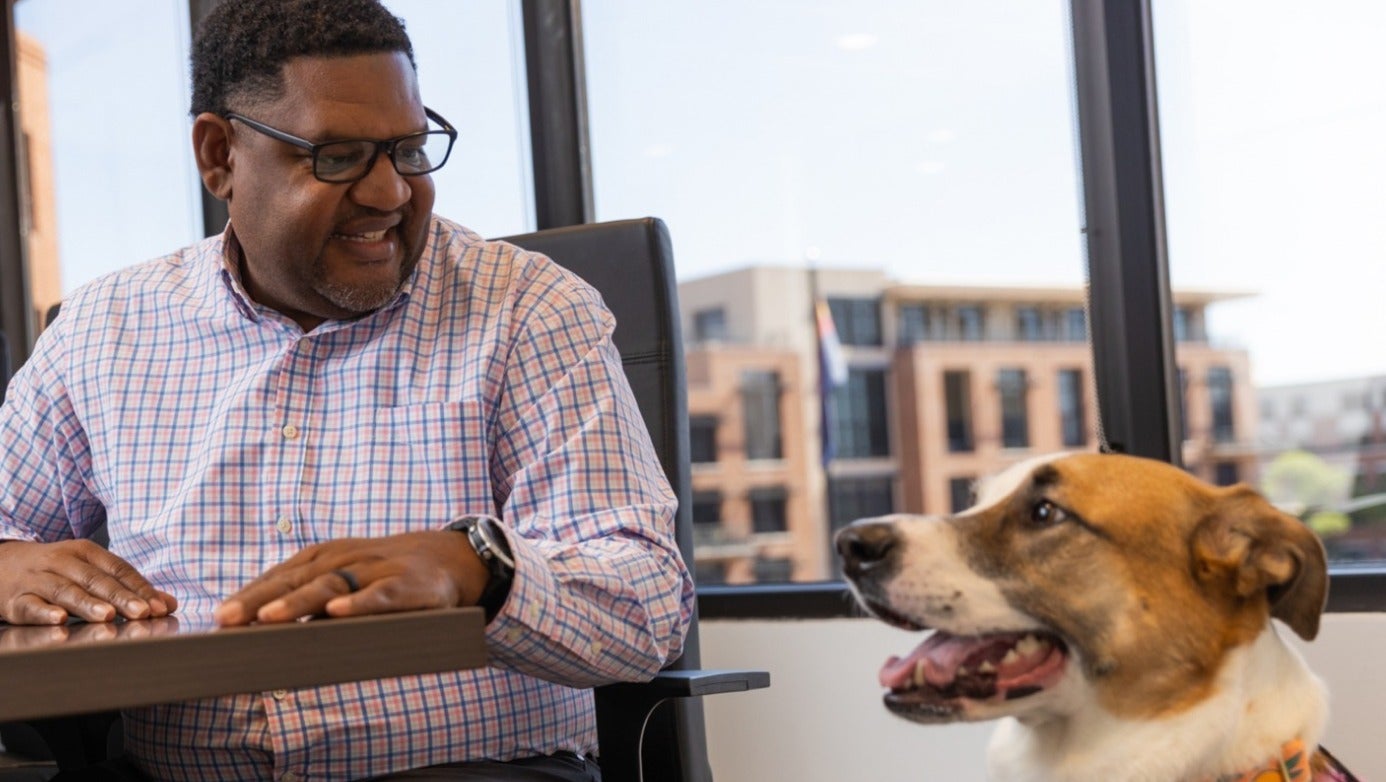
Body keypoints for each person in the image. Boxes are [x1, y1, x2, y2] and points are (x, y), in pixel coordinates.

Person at [0, 0, 694, 779]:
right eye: (338, 158)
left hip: (468, 769)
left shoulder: (529, 311)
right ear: (219, 154)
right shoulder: (104, 330)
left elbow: (649, 606)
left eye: (408, 150)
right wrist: (6, 561)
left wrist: (477, 568)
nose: (391, 193)